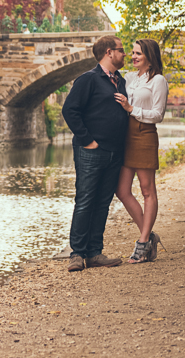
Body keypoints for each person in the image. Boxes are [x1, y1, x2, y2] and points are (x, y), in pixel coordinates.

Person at [54, 35, 130, 272]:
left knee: (103, 202)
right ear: (109, 52)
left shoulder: (120, 81)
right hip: (91, 151)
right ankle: (77, 253)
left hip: (114, 152)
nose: (125, 54)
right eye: (121, 50)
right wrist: (88, 141)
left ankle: (95, 253)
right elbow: (70, 110)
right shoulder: (88, 79)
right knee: (85, 200)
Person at [113, 38, 168, 263]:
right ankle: (149, 236)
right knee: (122, 190)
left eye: (138, 53)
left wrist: (131, 108)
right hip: (126, 135)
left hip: (145, 134)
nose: (133, 57)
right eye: (132, 53)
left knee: (147, 190)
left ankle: (143, 242)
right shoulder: (128, 78)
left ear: (149, 56)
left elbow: (158, 114)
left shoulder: (158, 81)